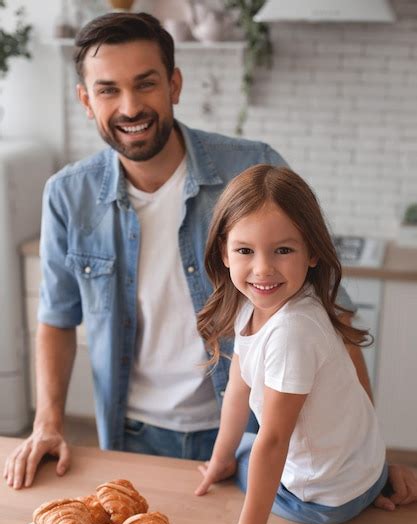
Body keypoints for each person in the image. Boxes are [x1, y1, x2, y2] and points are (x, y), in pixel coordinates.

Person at [2, 12, 409, 497]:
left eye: (145, 84)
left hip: (256, 436)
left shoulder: (252, 167)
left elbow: (330, 310)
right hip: (132, 437)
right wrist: (48, 422)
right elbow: (56, 318)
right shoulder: (67, 194)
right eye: (108, 89)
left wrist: (364, 460)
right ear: (86, 100)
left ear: (174, 84)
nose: (130, 106)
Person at [195, 165, 417, 524]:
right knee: (236, 452)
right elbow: (239, 389)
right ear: (224, 253)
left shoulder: (293, 331)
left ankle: (364, 490)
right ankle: (378, 483)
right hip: (360, 472)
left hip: (319, 502)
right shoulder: (258, 304)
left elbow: (274, 439)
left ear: (312, 252)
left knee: (250, 451)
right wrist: (219, 459)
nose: (262, 269)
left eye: (282, 250)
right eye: (246, 251)